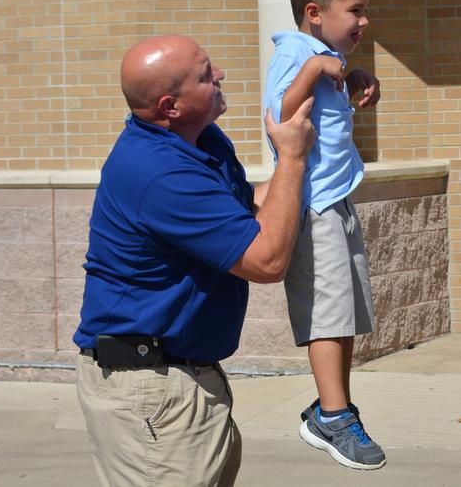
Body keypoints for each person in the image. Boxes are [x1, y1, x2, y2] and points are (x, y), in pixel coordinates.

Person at [73, 34, 316, 487]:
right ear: (170, 106)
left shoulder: (202, 141)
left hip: (182, 376)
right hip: (151, 387)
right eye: (205, 75)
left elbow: (246, 218)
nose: (221, 74)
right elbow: (264, 261)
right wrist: (292, 159)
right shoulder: (159, 172)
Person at [264, 0, 385, 470]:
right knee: (325, 315)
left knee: (345, 315)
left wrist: (352, 75)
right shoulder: (297, 53)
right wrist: (316, 66)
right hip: (311, 206)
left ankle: (334, 410)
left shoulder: (320, 56)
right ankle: (334, 416)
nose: (363, 21)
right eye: (354, 11)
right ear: (315, 12)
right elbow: (280, 116)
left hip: (335, 201)